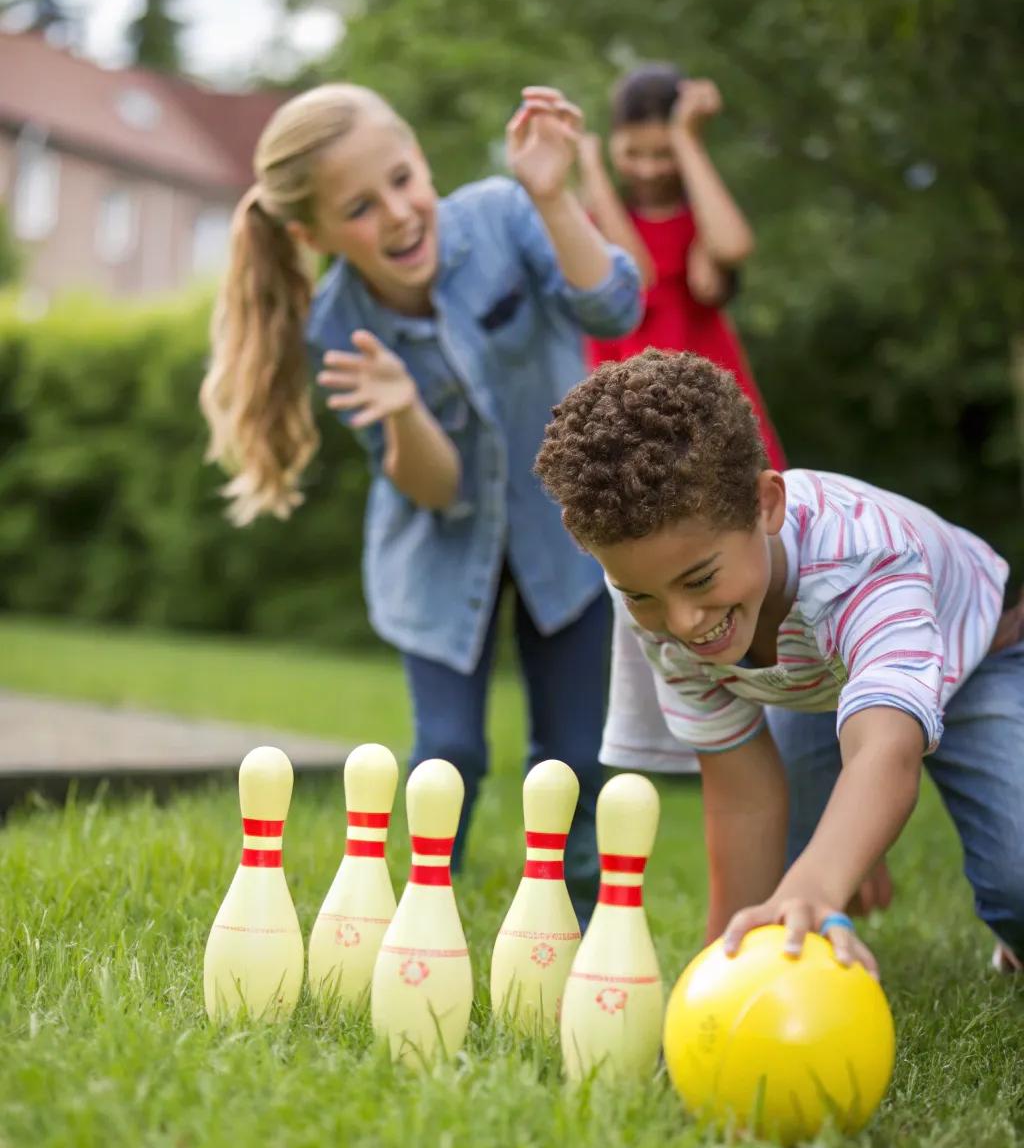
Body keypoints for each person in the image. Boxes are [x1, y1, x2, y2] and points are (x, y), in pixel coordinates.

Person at [200, 83, 643, 924]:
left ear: (422, 160)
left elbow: (615, 304)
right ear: (313, 235)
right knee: (448, 750)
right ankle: (419, 911)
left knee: (577, 755)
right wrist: (403, 406)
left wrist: (552, 196)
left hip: (569, 533)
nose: (400, 215)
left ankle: (583, 914)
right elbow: (440, 493)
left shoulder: (506, 217)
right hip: (438, 558)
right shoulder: (336, 324)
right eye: (361, 208)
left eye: (404, 180)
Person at [534, 348, 1024, 976]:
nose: (683, 622)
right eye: (643, 596)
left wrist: (821, 880)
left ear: (766, 505)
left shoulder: (861, 559)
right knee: (784, 889)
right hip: (819, 682)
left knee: (1009, 883)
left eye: (699, 578)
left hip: (981, 653)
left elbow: (885, 750)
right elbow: (742, 794)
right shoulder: (651, 593)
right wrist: (717, 974)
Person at [577, 62, 785, 471]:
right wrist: (593, 173)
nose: (649, 169)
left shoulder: (699, 217)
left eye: (665, 153)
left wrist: (688, 138)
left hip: (709, 396)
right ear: (612, 140)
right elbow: (635, 274)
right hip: (630, 397)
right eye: (633, 152)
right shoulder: (595, 217)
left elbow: (735, 246)